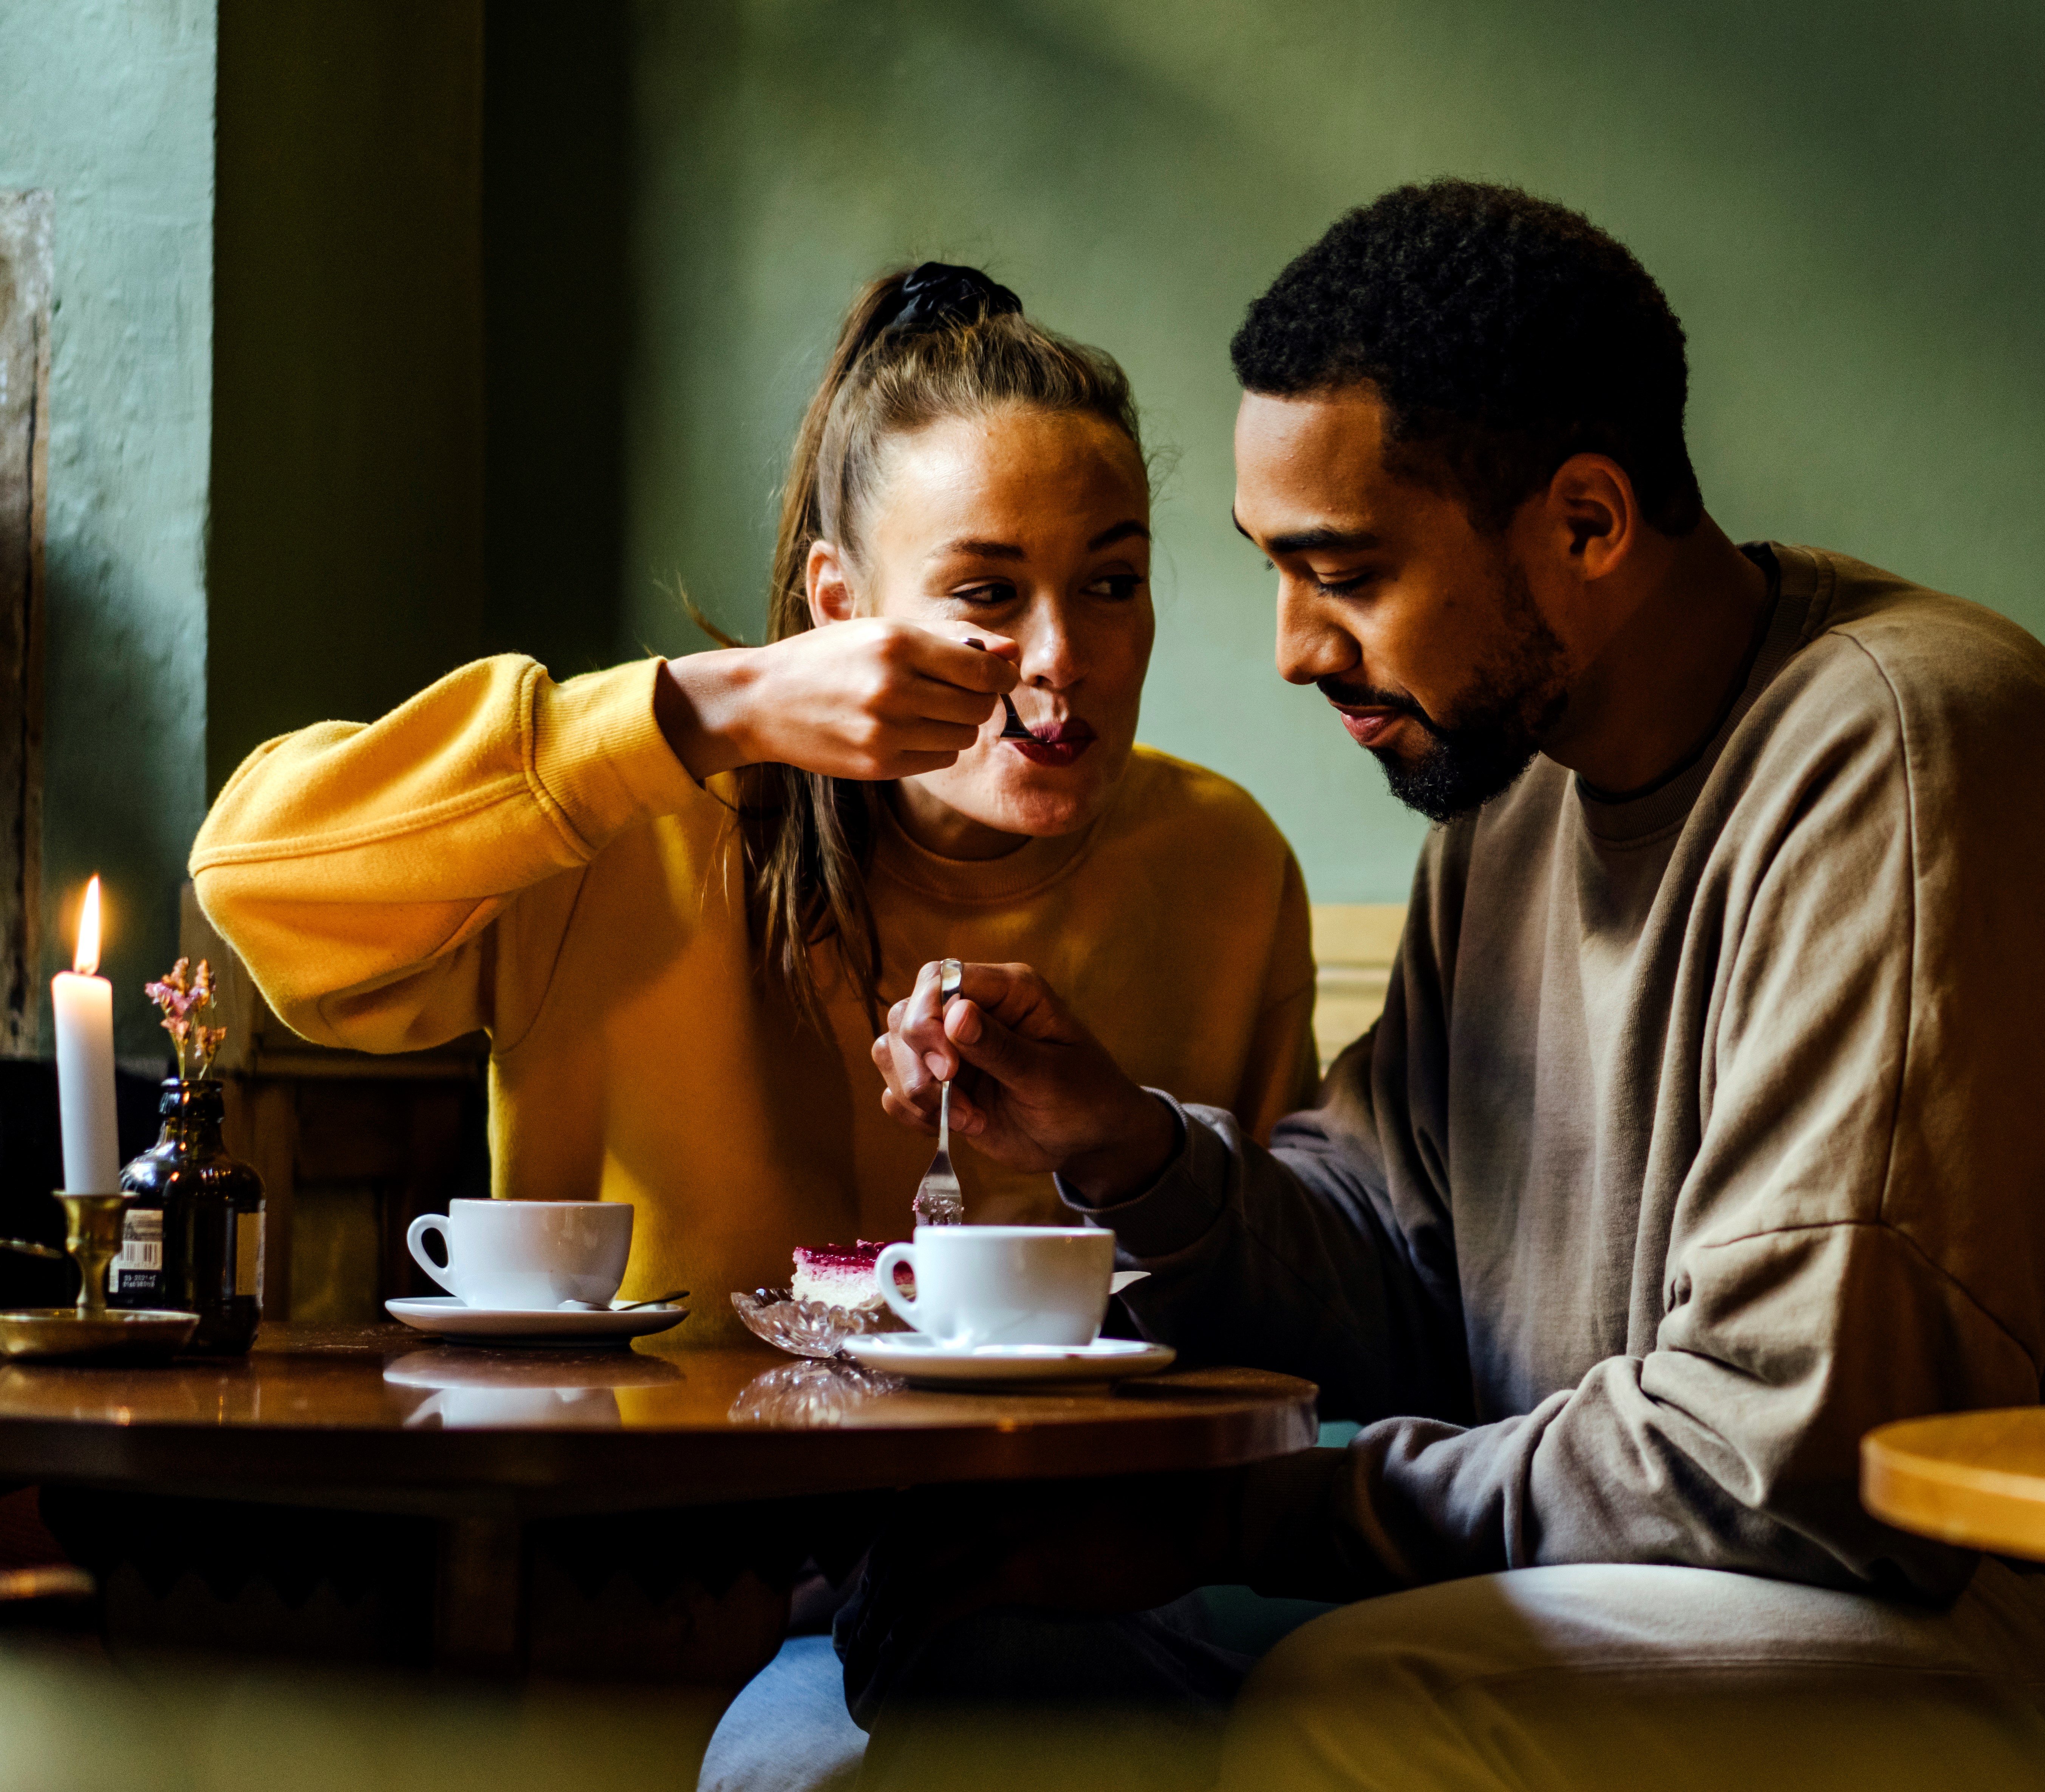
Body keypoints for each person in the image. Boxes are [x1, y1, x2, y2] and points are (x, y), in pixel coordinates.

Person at [784, 184, 2045, 1790]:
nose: (1295, 648)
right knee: (1004, 1654)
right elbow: (1391, 1256)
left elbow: (1786, 1463)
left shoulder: (1909, 749)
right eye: (1269, 570)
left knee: (1371, 1702)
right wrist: (1128, 1153)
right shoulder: (1505, 781)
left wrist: (1243, 1515)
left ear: (1583, 525)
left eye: (1345, 571)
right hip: (1667, 1606)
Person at [190, 264, 1318, 1334]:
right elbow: (254, 877)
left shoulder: (1225, 865)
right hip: (662, 1514)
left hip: (1063, 1523)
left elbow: (1283, 1308)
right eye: (988, 592)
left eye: (1112, 584)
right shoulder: (637, 824)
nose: (1061, 654)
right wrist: (710, 709)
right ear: (839, 601)